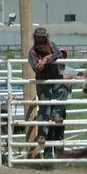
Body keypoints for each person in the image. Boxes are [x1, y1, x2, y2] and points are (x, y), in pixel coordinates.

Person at [27, 27, 65, 158]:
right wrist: (41, 64)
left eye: (42, 37)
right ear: (35, 37)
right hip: (43, 82)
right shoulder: (32, 52)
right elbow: (35, 67)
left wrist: (47, 59)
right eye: (38, 37)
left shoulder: (51, 45)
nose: (40, 39)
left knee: (63, 91)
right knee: (44, 109)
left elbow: (59, 54)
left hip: (55, 78)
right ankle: (42, 135)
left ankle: (56, 114)